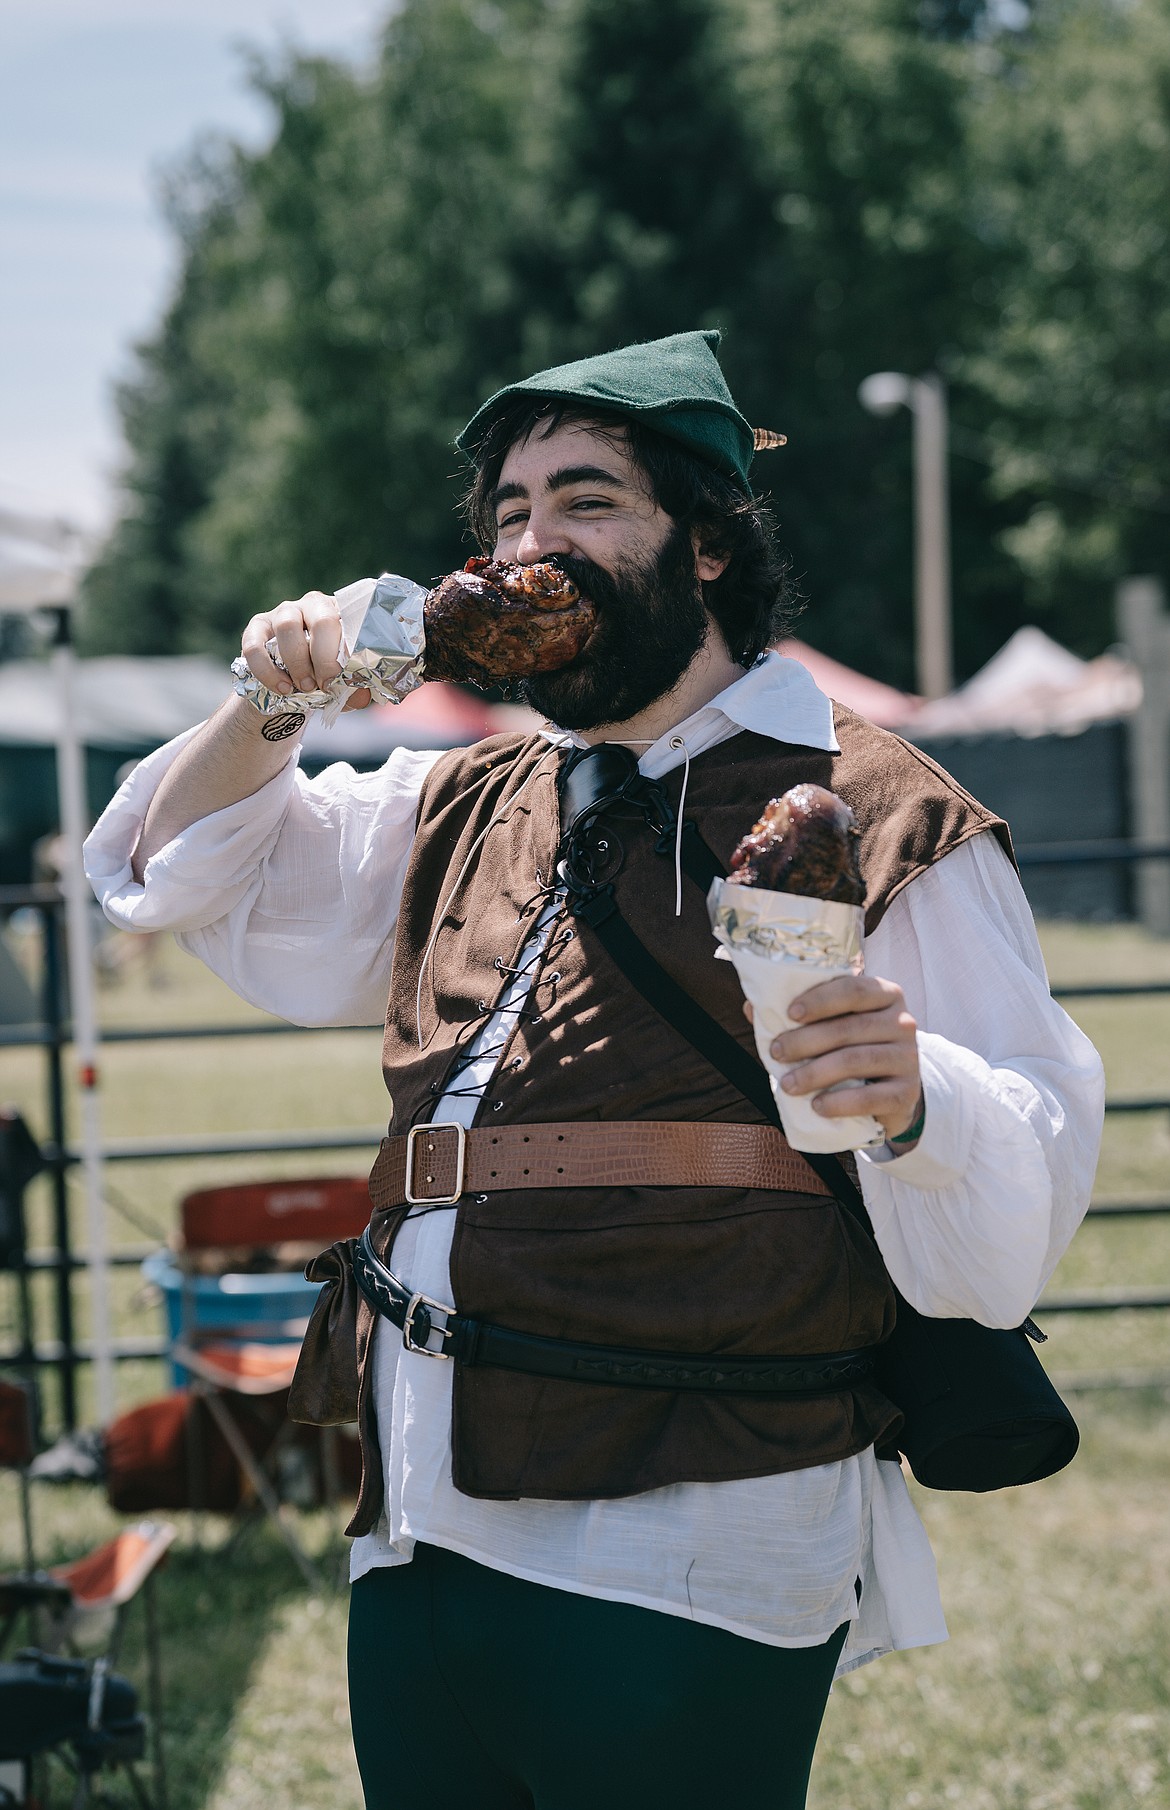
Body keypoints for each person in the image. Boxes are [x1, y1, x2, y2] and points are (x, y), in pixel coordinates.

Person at [86, 329, 1104, 1810]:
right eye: (504, 514)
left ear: (700, 542)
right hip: (422, 1508)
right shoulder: (465, 792)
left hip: (687, 1517)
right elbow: (178, 870)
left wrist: (912, 1089)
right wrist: (270, 702)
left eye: (584, 501)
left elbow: (1031, 1137)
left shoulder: (879, 803)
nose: (531, 541)